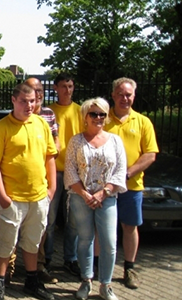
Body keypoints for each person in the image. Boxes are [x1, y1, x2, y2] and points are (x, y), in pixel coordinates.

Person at [0, 83, 57, 300]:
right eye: (24, 101)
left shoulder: (41, 124)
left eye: (33, 101)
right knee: (5, 243)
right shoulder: (1, 128)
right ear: (13, 100)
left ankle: (31, 281)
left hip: (38, 197)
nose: (29, 105)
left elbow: (49, 157)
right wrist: (2, 195)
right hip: (13, 199)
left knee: (33, 242)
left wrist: (52, 188)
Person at [64, 97, 127, 300]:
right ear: (85, 116)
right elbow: (70, 171)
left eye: (102, 114)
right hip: (80, 197)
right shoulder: (76, 141)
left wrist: (103, 193)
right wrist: (84, 194)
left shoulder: (115, 140)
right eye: (94, 114)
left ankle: (106, 284)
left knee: (109, 241)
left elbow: (120, 170)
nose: (98, 118)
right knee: (85, 239)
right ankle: (86, 280)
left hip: (107, 198)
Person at [105, 77, 158, 289]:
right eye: (120, 94)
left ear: (133, 96)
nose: (124, 98)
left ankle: (129, 268)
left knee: (130, 226)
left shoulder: (143, 122)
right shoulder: (101, 118)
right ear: (113, 95)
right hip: (104, 186)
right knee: (103, 227)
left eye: (128, 94)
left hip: (132, 185)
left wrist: (127, 173)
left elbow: (150, 154)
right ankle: (99, 267)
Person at [8, 77, 59, 285]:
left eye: (39, 91)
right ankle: (9, 270)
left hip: (41, 185)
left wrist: (52, 186)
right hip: (16, 190)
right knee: (11, 233)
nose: (36, 95)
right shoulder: (11, 120)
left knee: (40, 230)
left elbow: (53, 146)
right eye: (31, 91)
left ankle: (37, 269)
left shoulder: (47, 116)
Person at [48, 73, 83, 277]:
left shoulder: (80, 111)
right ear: (55, 88)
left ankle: (71, 259)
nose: (67, 90)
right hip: (54, 172)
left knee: (73, 220)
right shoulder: (49, 112)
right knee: (50, 219)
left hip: (75, 173)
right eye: (63, 86)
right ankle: (48, 258)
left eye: (70, 86)